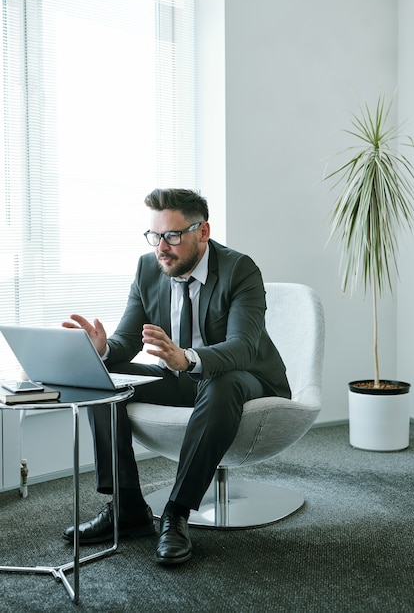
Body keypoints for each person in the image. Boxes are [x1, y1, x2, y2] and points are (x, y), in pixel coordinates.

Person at [62, 188, 291, 565]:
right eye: (155, 235)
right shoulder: (148, 268)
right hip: (182, 377)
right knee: (97, 377)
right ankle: (128, 507)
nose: (161, 247)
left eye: (172, 235)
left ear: (202, 232)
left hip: (246, 380)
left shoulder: (239, 269)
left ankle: (177, 513)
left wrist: (187, 358)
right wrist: (101, 349)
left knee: (223, 382)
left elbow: (243, 347)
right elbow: (127, 340)